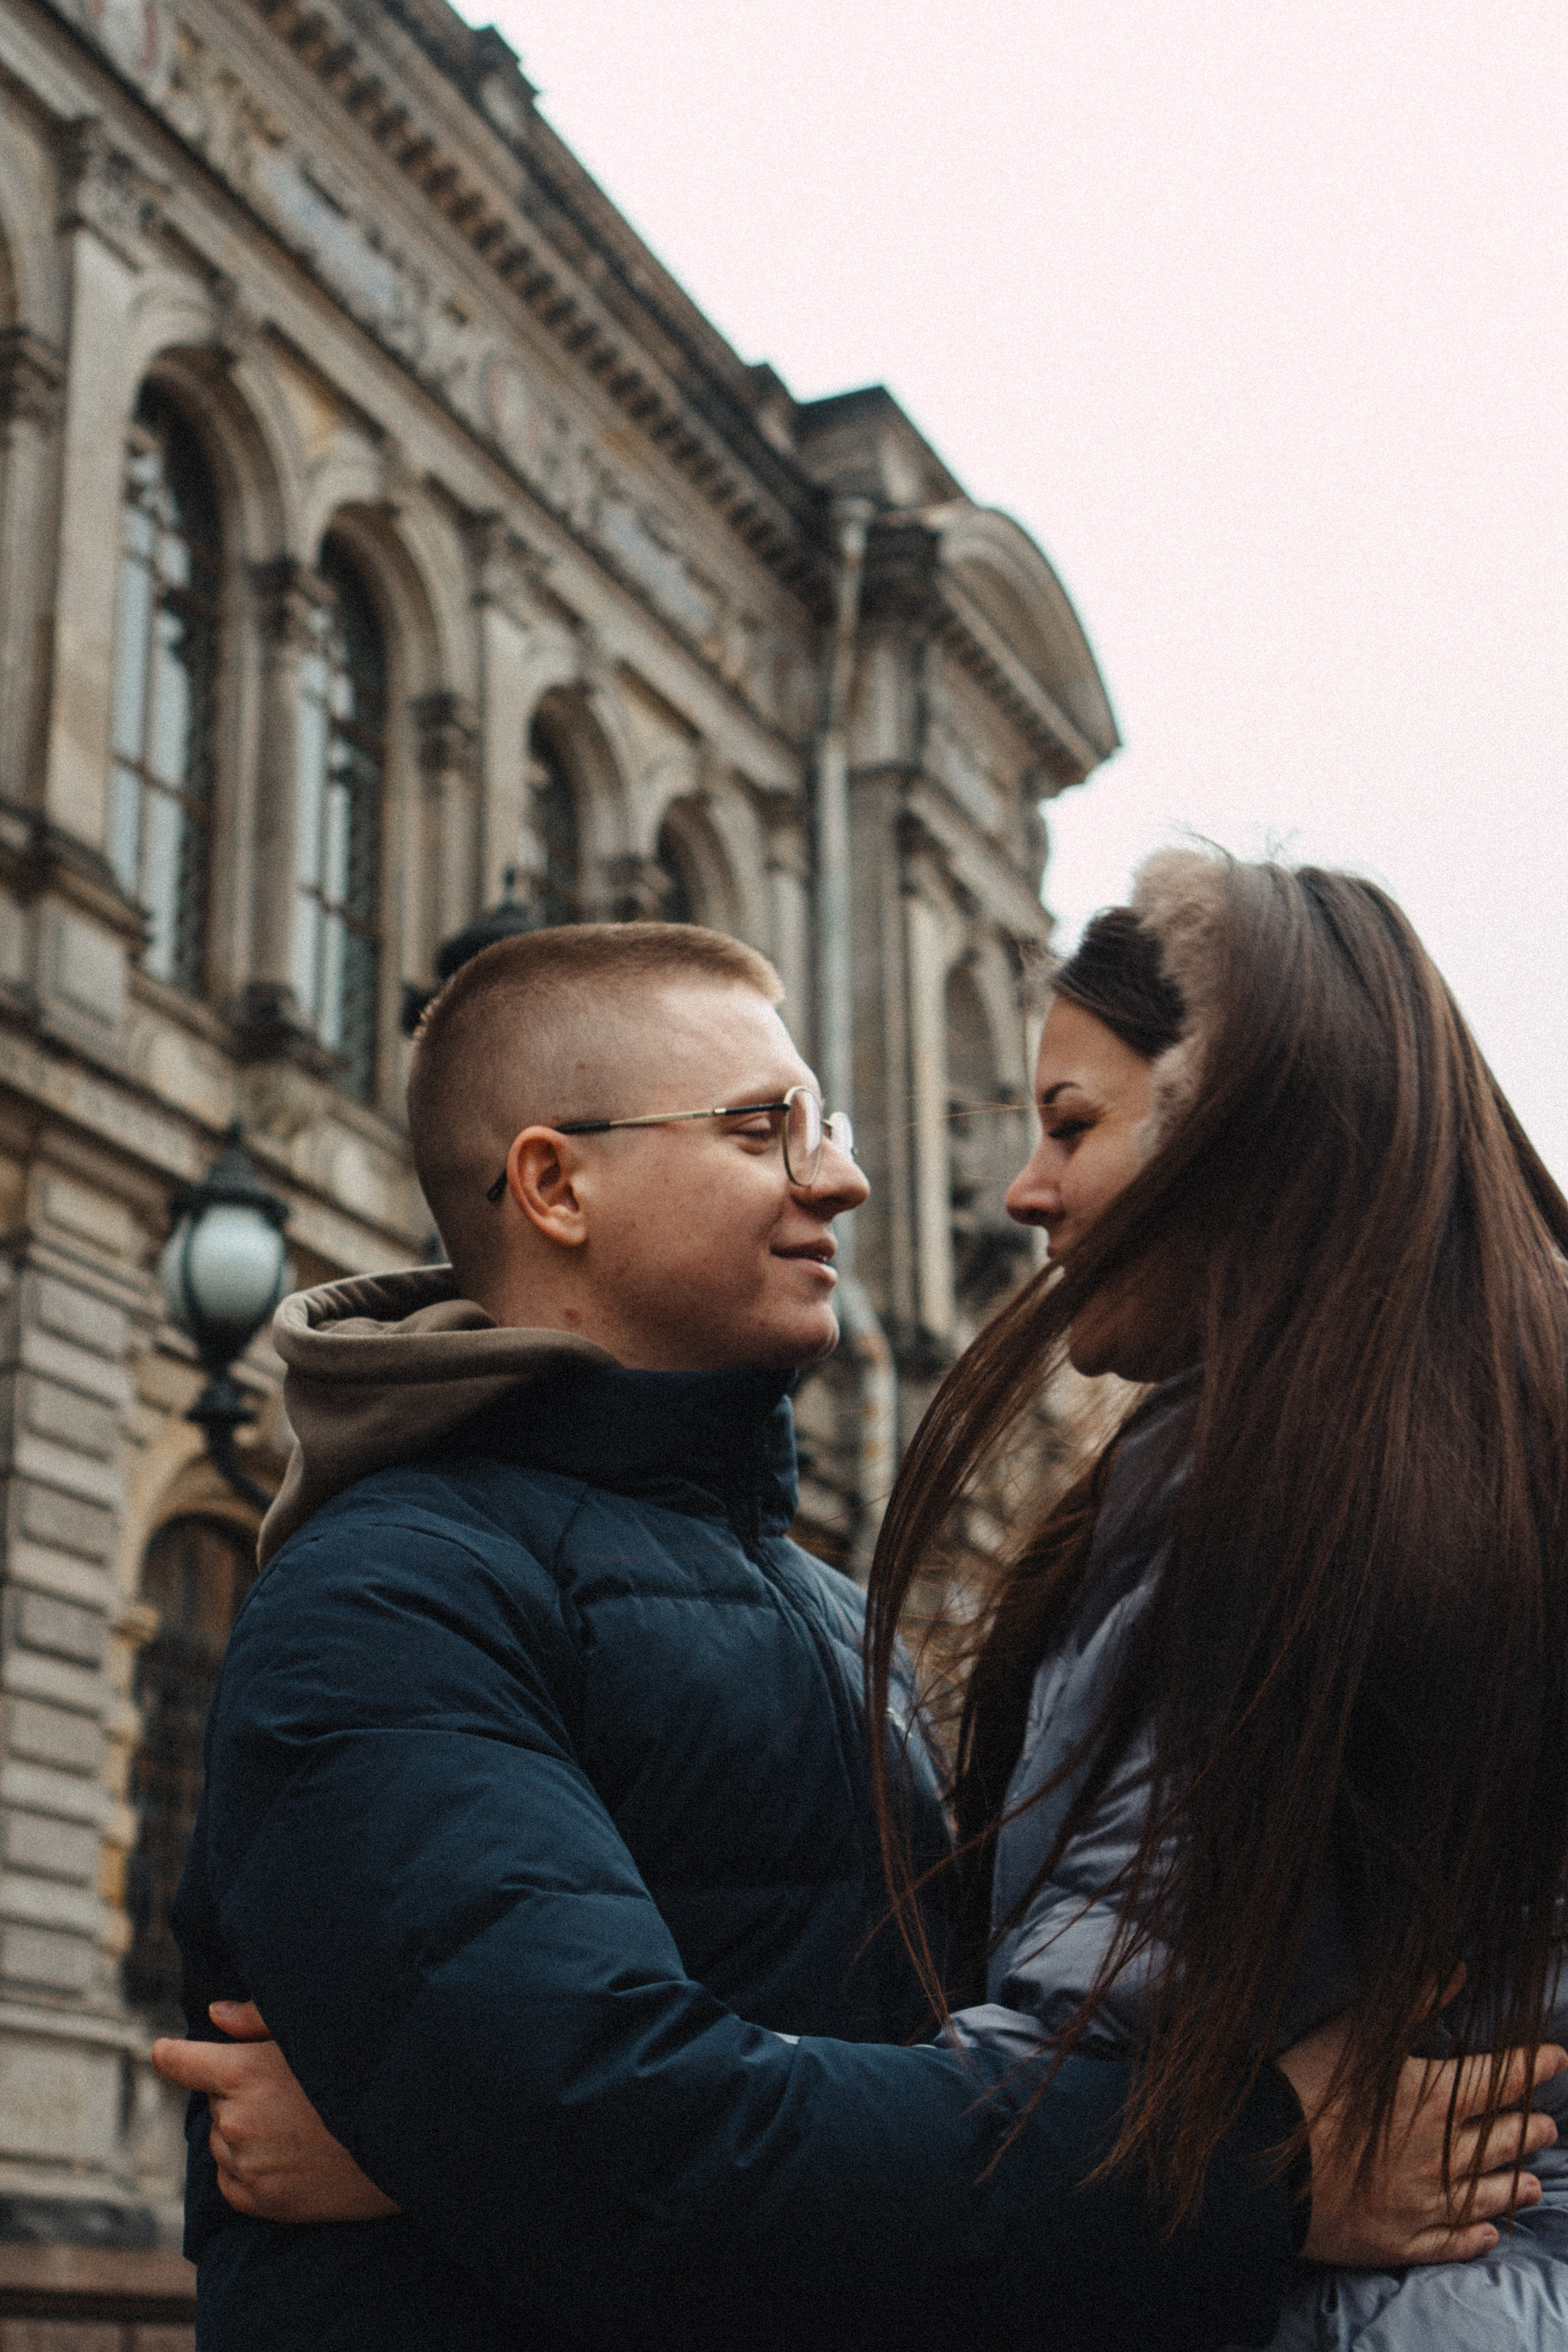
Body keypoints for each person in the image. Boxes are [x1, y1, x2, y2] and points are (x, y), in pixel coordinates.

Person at [154, 919, 1554, 2352]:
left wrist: (430, 2148)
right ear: (554, 1184)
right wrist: (1258, 2167)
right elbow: (632, 2144)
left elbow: (878, 2071)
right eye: (764, 1127)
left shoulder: (836, 1614)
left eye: (821, 1122)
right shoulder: (391, 1598)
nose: (842, 1174)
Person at [864, 850, 1568, 2347]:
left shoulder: (1284, 1506)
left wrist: (474, 2137)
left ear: (1232, 1136)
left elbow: (1070, 2087)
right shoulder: (1472, 1448)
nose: (1022, 1193)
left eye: (1070, 1126)